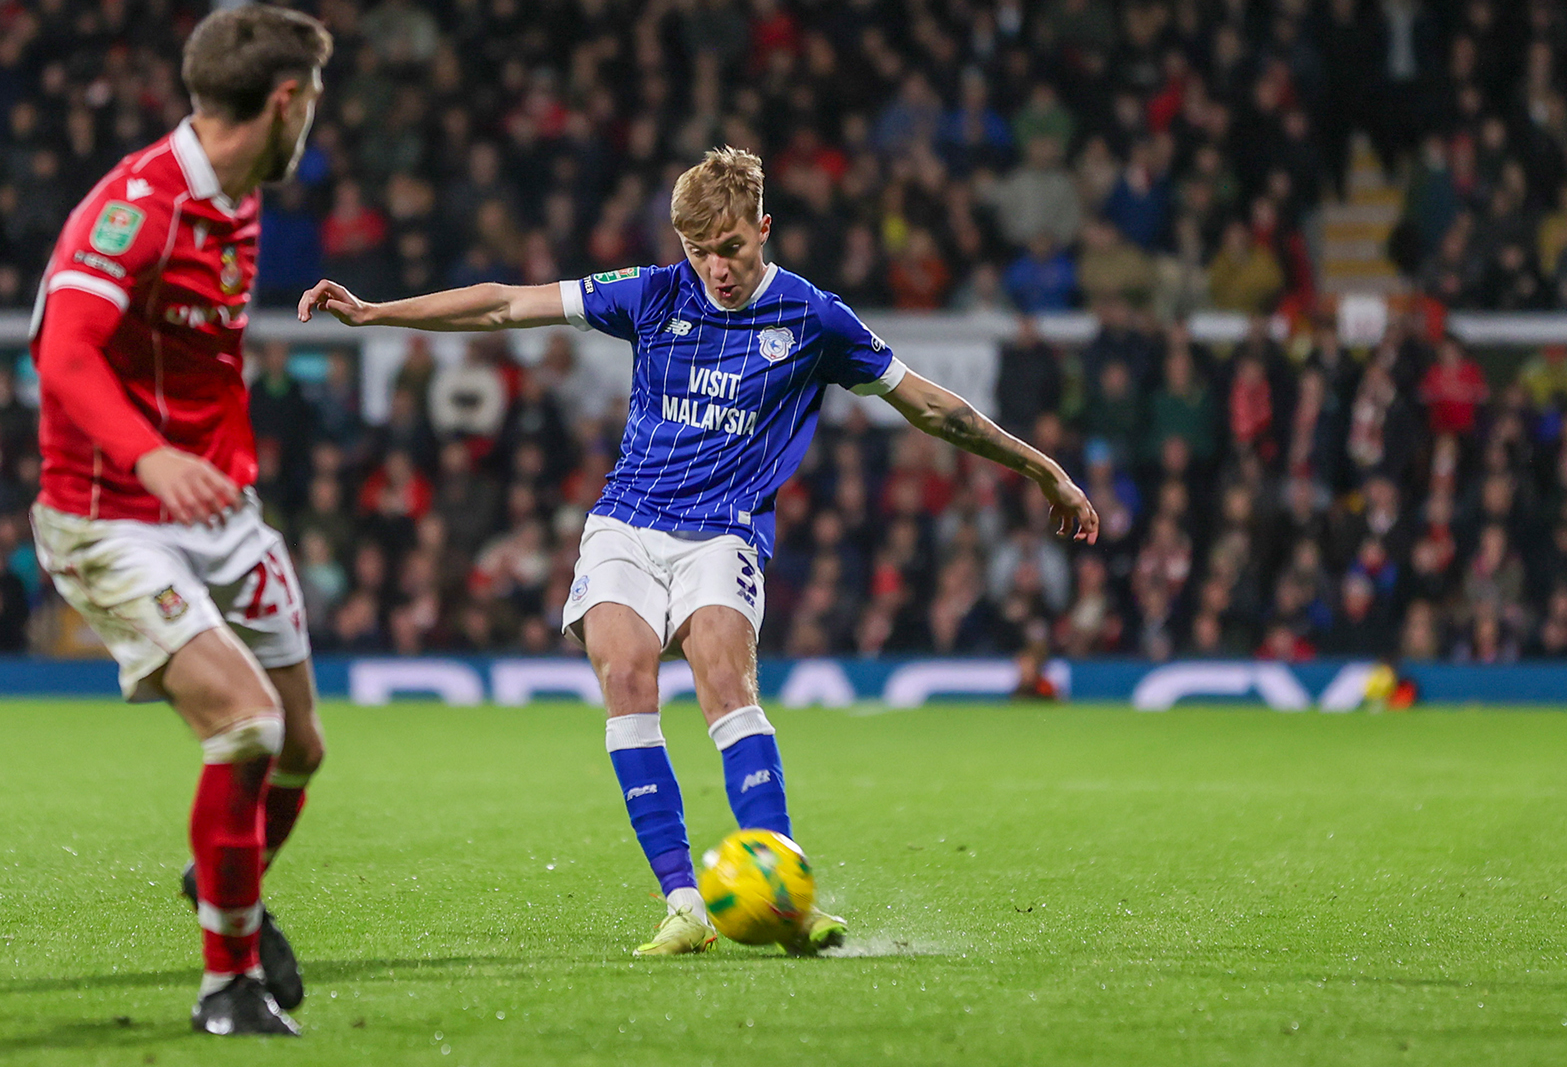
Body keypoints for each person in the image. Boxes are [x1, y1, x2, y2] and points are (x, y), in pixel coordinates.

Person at [300, 147, 1098, 957]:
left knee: (722, 675)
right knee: (625, 676)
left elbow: (932, 408)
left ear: (764, 228)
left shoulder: (814, 318)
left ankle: (785, 900)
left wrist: (1041, 469)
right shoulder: (654, 294)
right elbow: (508, 305)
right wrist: (375, 313)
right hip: (628, 522)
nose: (715, 267)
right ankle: (685, 904)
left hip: (725, 529)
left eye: (731, 248)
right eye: (699, 250)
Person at [27, 5, 331, 1037]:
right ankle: (226, 986)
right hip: (112, 509)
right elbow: (62, 356)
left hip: (220, 507)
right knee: (242, 723)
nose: (317, 124)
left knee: (299, 747)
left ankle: (219, 884)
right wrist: (150, 454)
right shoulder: (137, 207)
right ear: (284, 101)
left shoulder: (238, 199)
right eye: (315, 102)